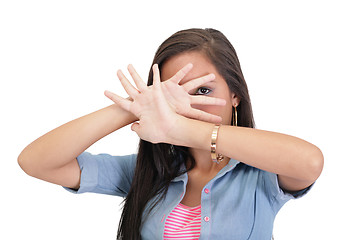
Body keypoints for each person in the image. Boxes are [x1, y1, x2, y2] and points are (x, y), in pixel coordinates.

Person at [18, 28, 324, 240]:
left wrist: (181, 128)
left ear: (235, 95)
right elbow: (36, 161)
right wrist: (137, 106)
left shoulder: (261, 173)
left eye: (203, 90)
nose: (188, 104)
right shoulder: (148, 173)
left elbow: (309, 162)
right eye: (174, 94)